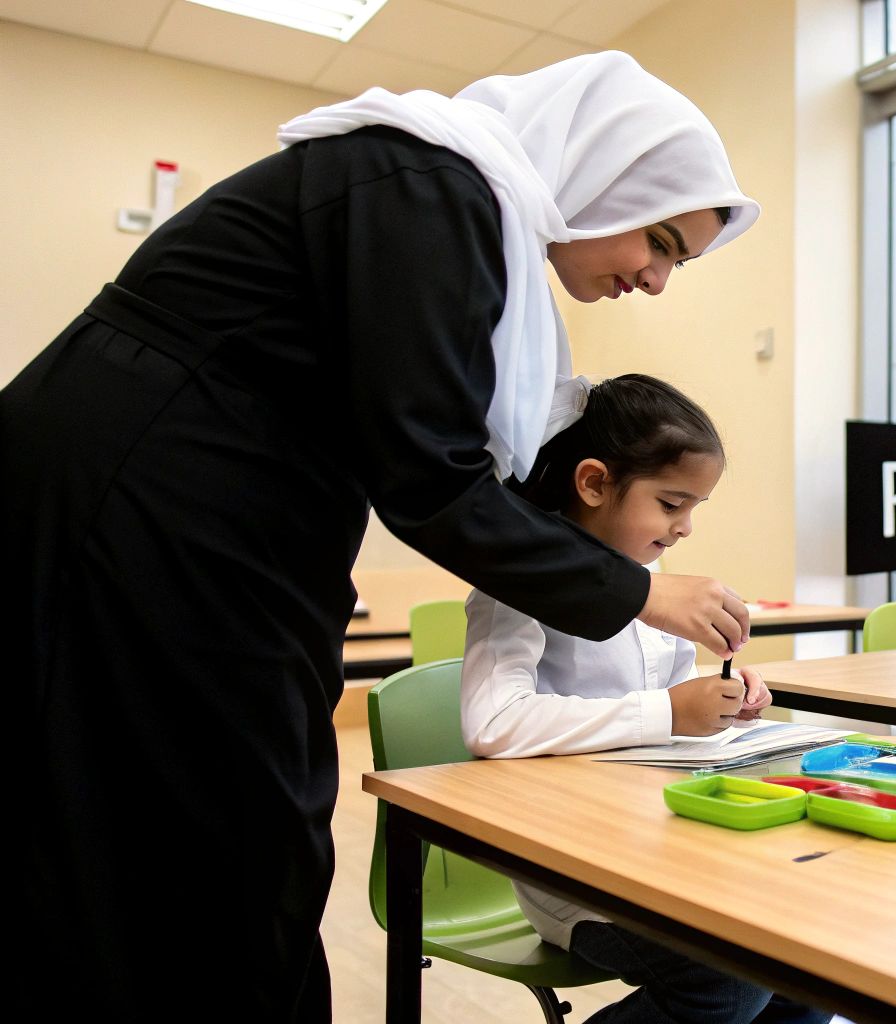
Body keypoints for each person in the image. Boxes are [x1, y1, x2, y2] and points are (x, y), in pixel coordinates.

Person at [2, 52, 759, 1020]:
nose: (654, 279)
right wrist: (644, 591)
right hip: (140, 498)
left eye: (676, 261)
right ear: (602, 170)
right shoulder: (432, 185)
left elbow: (423, 459)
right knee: (200, 835)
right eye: (658, 241)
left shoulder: (459, 209)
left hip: (203, 511)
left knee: (210, 836)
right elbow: (431, 478)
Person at [461, 373, 827, 1024]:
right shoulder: (512, 585)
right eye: (670, 504)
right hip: (574, 874)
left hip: (664, 845)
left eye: (694, 509)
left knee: (814, 955)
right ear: (595, 483)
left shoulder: (653, 579)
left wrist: (721, 702)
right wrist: (668, 713)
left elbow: (673, 702)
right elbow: (492, 725)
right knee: (729, 981)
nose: (684, 527)